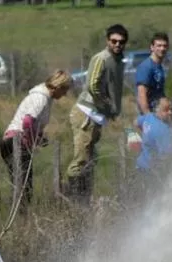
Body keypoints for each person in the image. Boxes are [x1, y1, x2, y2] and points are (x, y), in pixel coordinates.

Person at [64, 23, 128, 202]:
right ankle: (73, 198)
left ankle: (84, 196)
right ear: (108, 41)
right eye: (114, 41)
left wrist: (114, 110)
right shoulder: (101, 58)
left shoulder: (118, 61)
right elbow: (93, 85)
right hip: (87, 112)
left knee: (91, 160)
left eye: (121, 42)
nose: (117, 44)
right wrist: (106, 104)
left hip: (97, 116)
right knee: (81, 159)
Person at [1, 70, 71, 203]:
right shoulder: (41, 98)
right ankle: (21, 217)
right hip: (17, 142)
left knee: (20, 186)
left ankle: (19, 216)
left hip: (12, 140)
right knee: (23, 188)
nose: (65, 94)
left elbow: (32, 123)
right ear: (57, 86)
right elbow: (27, 122)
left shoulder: (44, 97)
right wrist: (31, 141)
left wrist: (39, 137)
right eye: (64, 90)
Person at [135, 97, 172, 174]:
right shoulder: (164, 130)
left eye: (171, 109)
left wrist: (146, 133)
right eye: (166, 110)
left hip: (140, 165)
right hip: (152, 172)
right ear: (158, 110)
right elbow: (168, 156)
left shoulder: (149, 116)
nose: (170, 112)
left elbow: (136, 122)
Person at [135, 32, 169, 114]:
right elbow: (141, 94)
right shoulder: (146, 67)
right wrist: (148, 116)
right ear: (152, 47)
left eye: (164, 46)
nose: (162, 48)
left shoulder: (159, 66)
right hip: (149, 114)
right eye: (159, 45)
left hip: (159, 112)